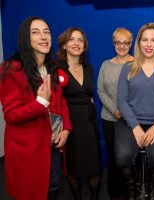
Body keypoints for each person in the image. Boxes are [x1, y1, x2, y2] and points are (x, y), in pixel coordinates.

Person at [0, 16, 71, 200]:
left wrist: (66, 130)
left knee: (53, 187)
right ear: (26, 38)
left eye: (46, 31)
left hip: (54, 143)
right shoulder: (11, 70)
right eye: (35, 32)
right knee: (33, 193)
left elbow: (61, 103)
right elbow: (11, 115)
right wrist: (39, 103)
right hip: (29, 150)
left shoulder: (51, 68)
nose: (43, 36)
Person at [115, 22, 154, 200]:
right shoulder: (128, 68)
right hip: (130, 122)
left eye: (153, 40)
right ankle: (132, 188)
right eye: (145, 40)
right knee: (122, 158)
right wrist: (135, 126)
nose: (149, 44)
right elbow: (121, 100)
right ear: (139, 43)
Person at [56, 27, 102, 200]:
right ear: (64, 45)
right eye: (72, 39)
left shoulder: (88, 67)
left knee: (94, 163)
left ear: (84, 46)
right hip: (69, 122)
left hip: (89, 122)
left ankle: (95, 197)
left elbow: (90, 95)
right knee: (73, 164)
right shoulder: (56, 68)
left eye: (80, 40)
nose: (76, 43)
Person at [97, 27, 134, 199]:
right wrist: (115, 109)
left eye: (125, 42)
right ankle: (113, 193)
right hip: (109, 119)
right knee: (112, 159)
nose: (122, 46)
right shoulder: (106, 65)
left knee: (127, 159)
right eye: (118, 42)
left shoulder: (137, 64)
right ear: (113, 43)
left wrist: (126, 112)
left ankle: (129, 192)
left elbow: (140, 92)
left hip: (131, 120)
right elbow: (100, 90)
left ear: (131, 43)